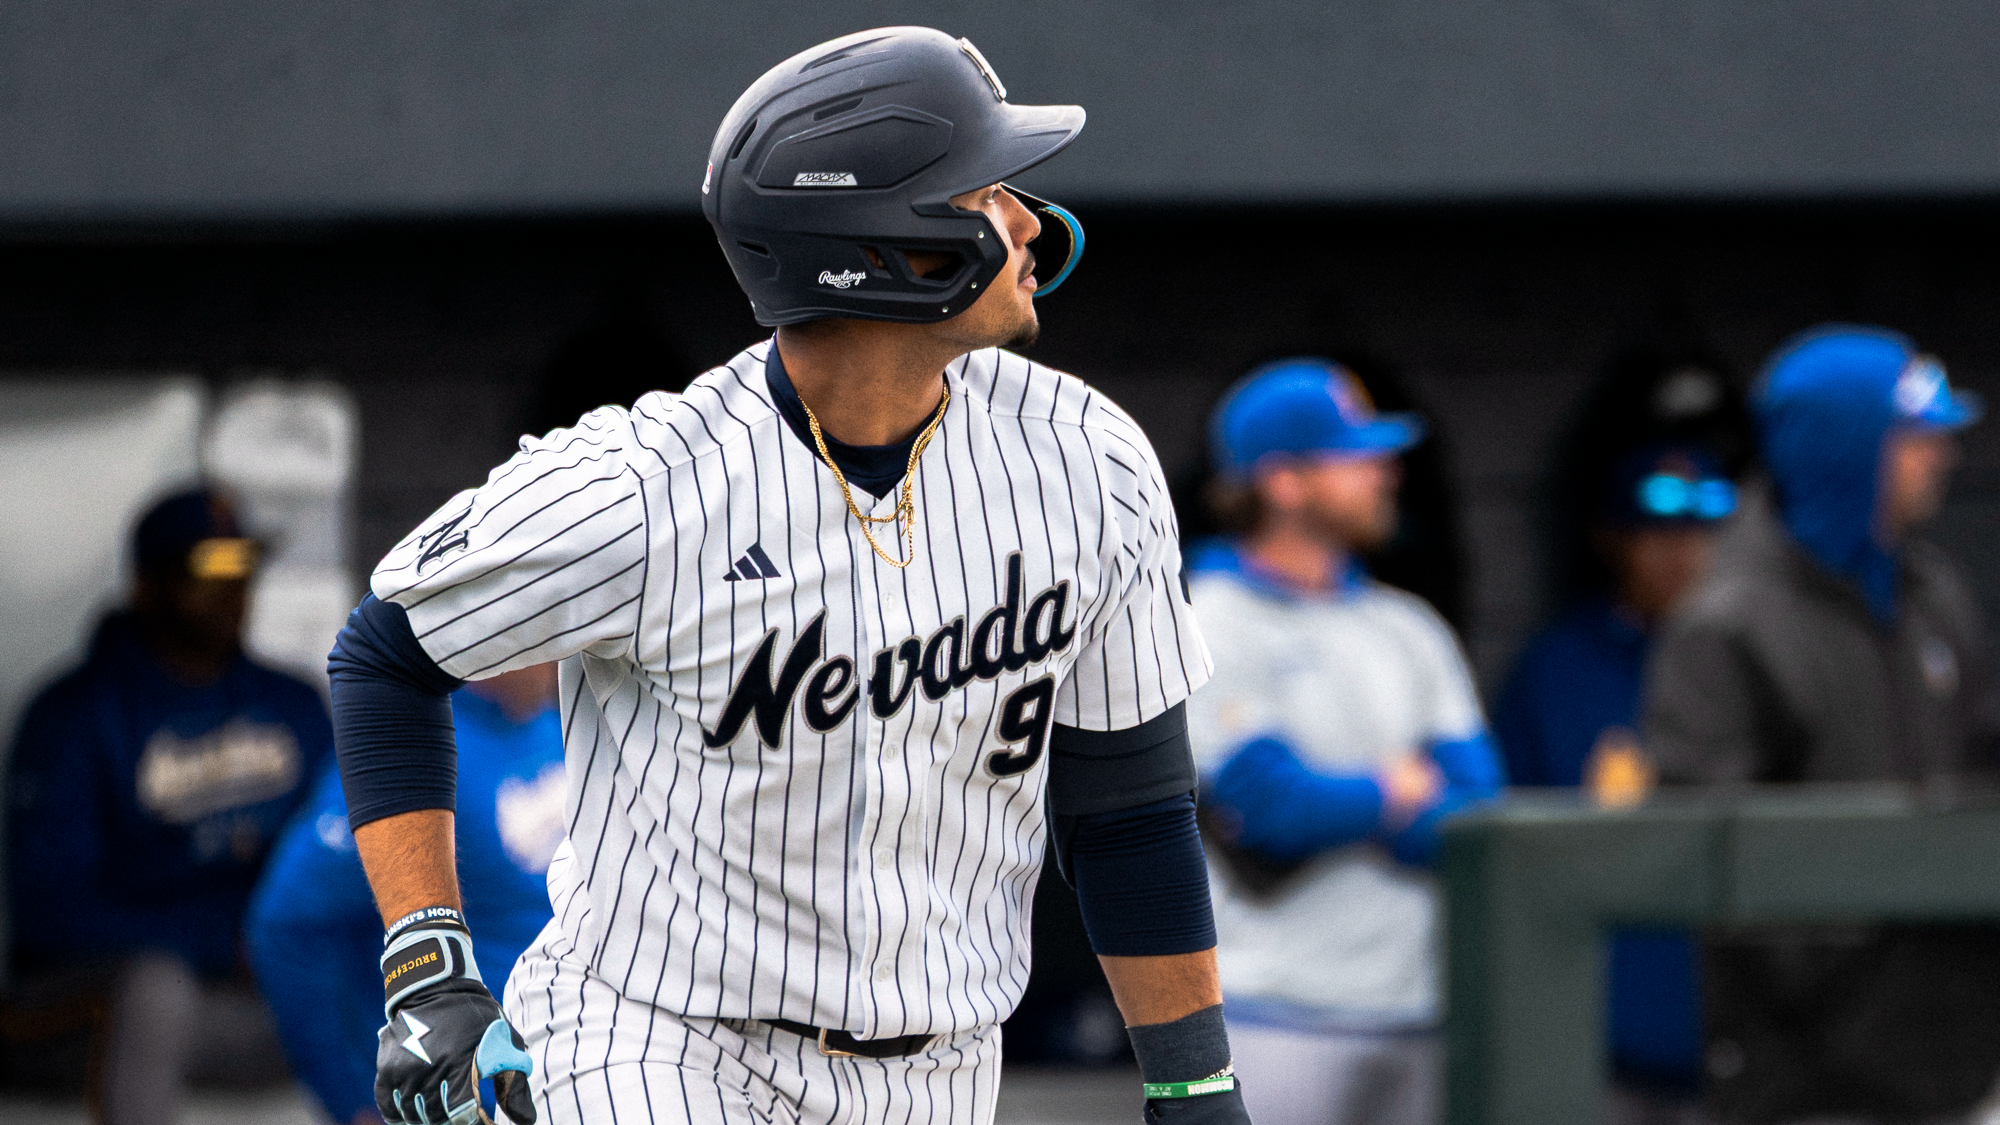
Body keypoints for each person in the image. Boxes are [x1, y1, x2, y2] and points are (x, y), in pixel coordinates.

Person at [323, 27, 1247, 1125]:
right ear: (886, 243)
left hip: (940, 1066)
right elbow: (383, 652)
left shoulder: (1090, 460)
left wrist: (1193, 1084)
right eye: (984, 191)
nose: (1026, 222)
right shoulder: (647, 484)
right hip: (658, 1037)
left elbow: (1128, 809)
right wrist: (427, 965)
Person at [1644, 325, 2000, 1124]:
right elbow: (1710, 854)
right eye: (1914, 439)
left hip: (1955, 1055)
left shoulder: (1930, 593)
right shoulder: (1726, 622)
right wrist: (1868, 1010)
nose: (1937, 455)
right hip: (1805, 1078)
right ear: (1851, 448)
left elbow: (1979, 769)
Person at [1186, 358, 1504, 1125]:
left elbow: (1482, 817)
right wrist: (1395, 788)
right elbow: (1268, 806)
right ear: (1285, 481)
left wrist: (1358, 805)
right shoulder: (1204, 616)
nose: (1384, 472)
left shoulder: (1408, 628)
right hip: (1271, 1014)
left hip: (1420, 1008)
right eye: (1355, 456)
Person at [5, 488, 330, 1123]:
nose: (233, 589)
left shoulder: (291, 705)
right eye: (209, 571)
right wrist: (221, 935)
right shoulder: (75, 715)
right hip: (85, 1009)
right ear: (147, 585)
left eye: (243, 567)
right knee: (159, 990)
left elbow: (331, 866)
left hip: (246, 1005)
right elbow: (48, 916)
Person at [1493, 443, 1737, 1120]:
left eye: (1699, 533)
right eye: (1656, 534)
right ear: (1611, 540)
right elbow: (1507, 853)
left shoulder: (1751, 657)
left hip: (1742, 1027)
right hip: (1602, 1028)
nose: (1681, 554)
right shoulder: (1558, 671)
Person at [246, 663, 564, 1125]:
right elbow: (285, 926)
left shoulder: (562, 725)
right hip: (479, 1089)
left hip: (585, 1057)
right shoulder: (413, 748)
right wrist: (353, 1097)